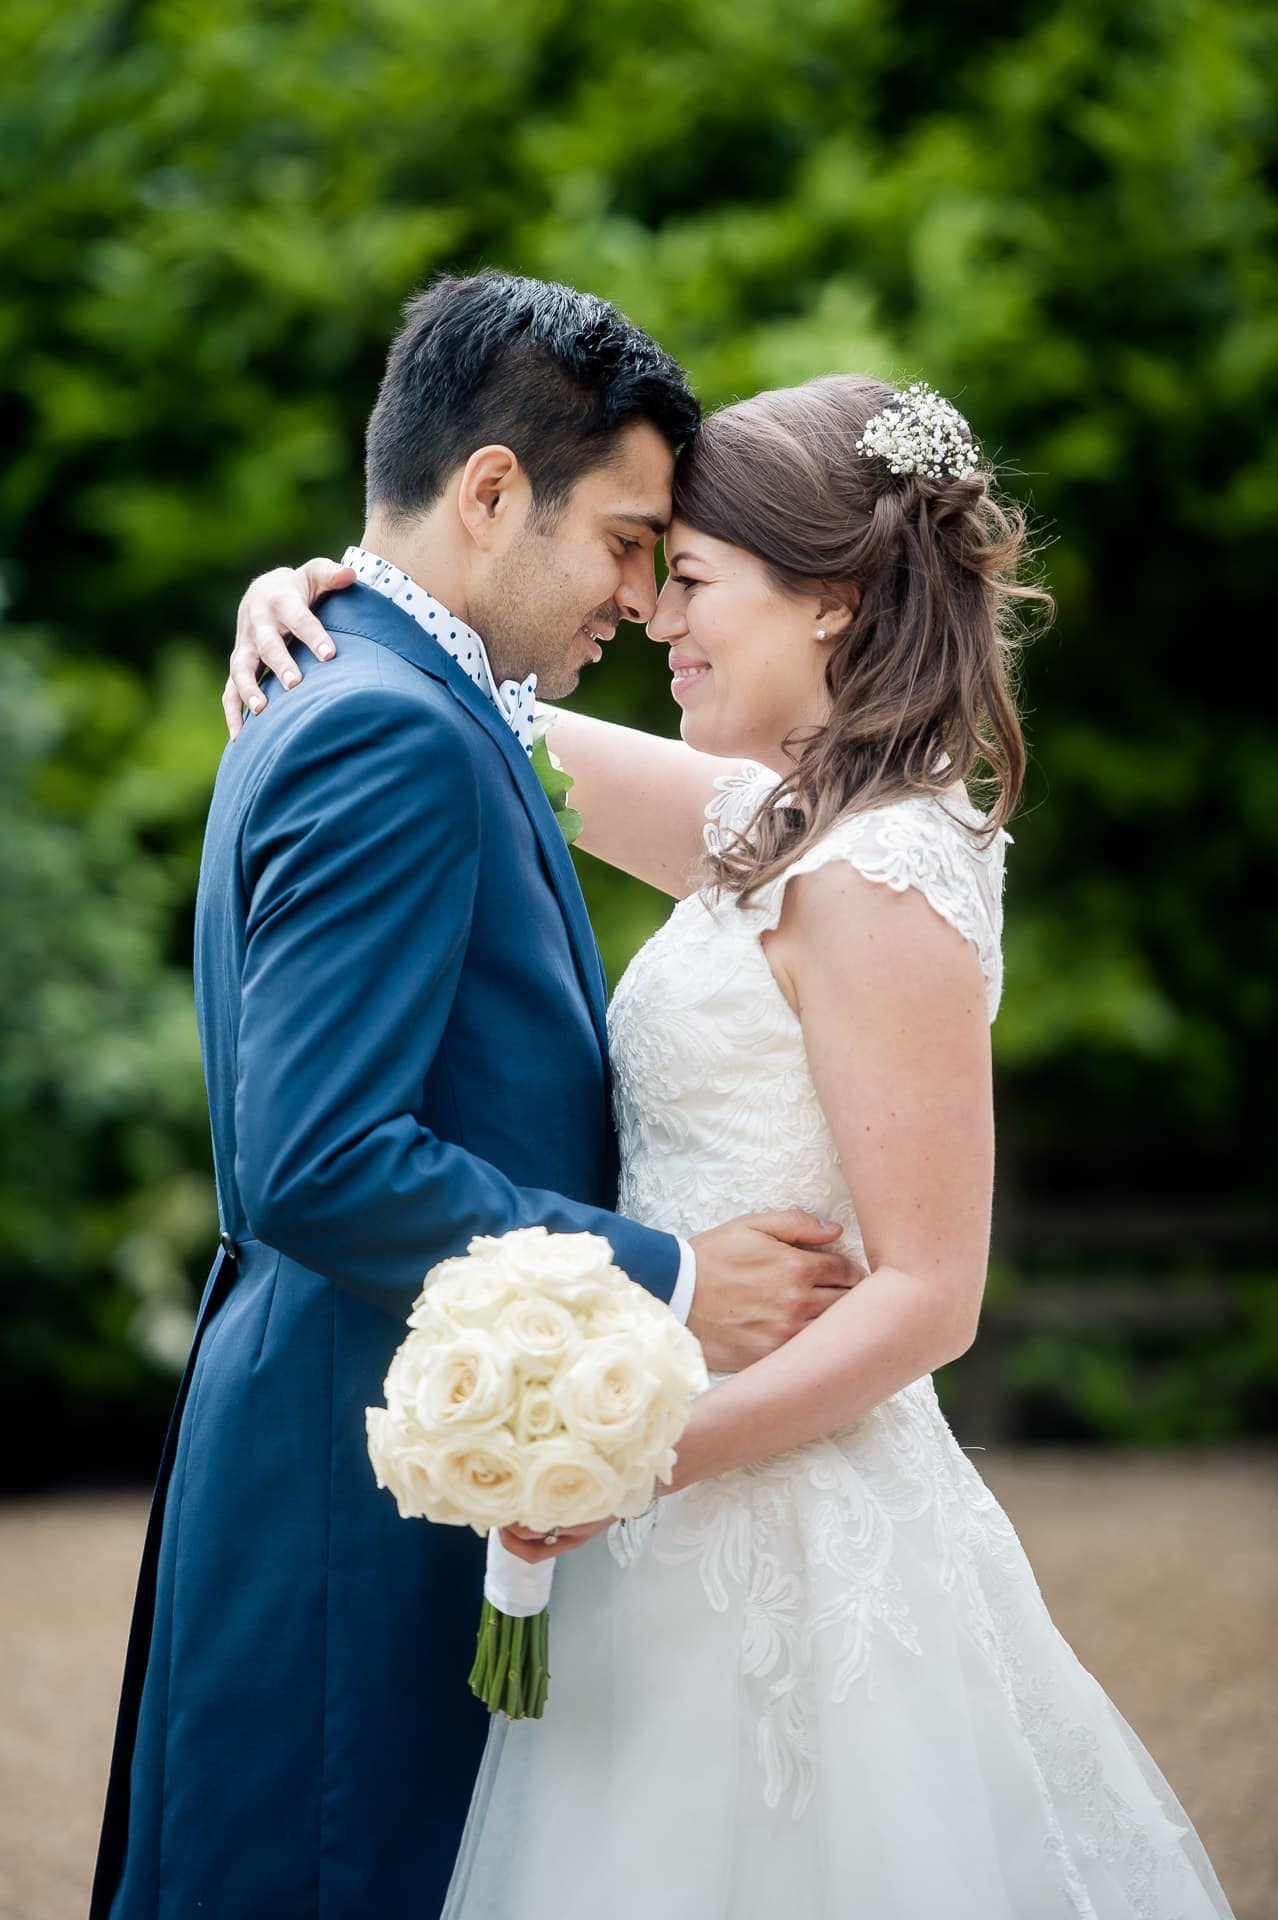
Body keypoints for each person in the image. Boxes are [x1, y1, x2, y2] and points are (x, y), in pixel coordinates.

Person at [232, 371, 1236, 1918]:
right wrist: (317, 596)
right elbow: (468, 709)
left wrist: (631, 1463)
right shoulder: (769, 826)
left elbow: (930, 1298)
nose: (649, 614)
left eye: (687, 577)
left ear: (829, 602)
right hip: (650, 1501)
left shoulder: (886, 869)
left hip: (775, 1514)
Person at [90, 272, 863, 1920]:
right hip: (348, 1485)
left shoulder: (406, 695)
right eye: (625, 541)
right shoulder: (391, 728)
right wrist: (668, 1280)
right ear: (492, 490)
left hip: (399, 1453)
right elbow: (312, 1163)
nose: (640, 600)